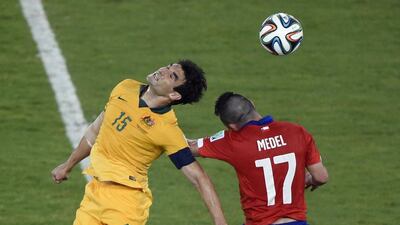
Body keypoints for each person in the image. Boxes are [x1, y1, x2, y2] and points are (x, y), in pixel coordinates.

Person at [51, 60, 227, 225]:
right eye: (168, 66)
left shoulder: (167, 129)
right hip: (94, 194)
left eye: (172, 76)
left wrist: (220, 222)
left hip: (125, 205)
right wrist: (68, 165)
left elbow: (199, 178)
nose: (163, 71)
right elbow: (95, 131)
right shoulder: (124, 87)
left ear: (174, 94)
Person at [188, 92, 329, 225]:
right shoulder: (296, 131)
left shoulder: (233, 141)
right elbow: (321, 177)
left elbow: (188, 147)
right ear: (252, 104)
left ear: (231, 126)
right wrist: (309, 179)